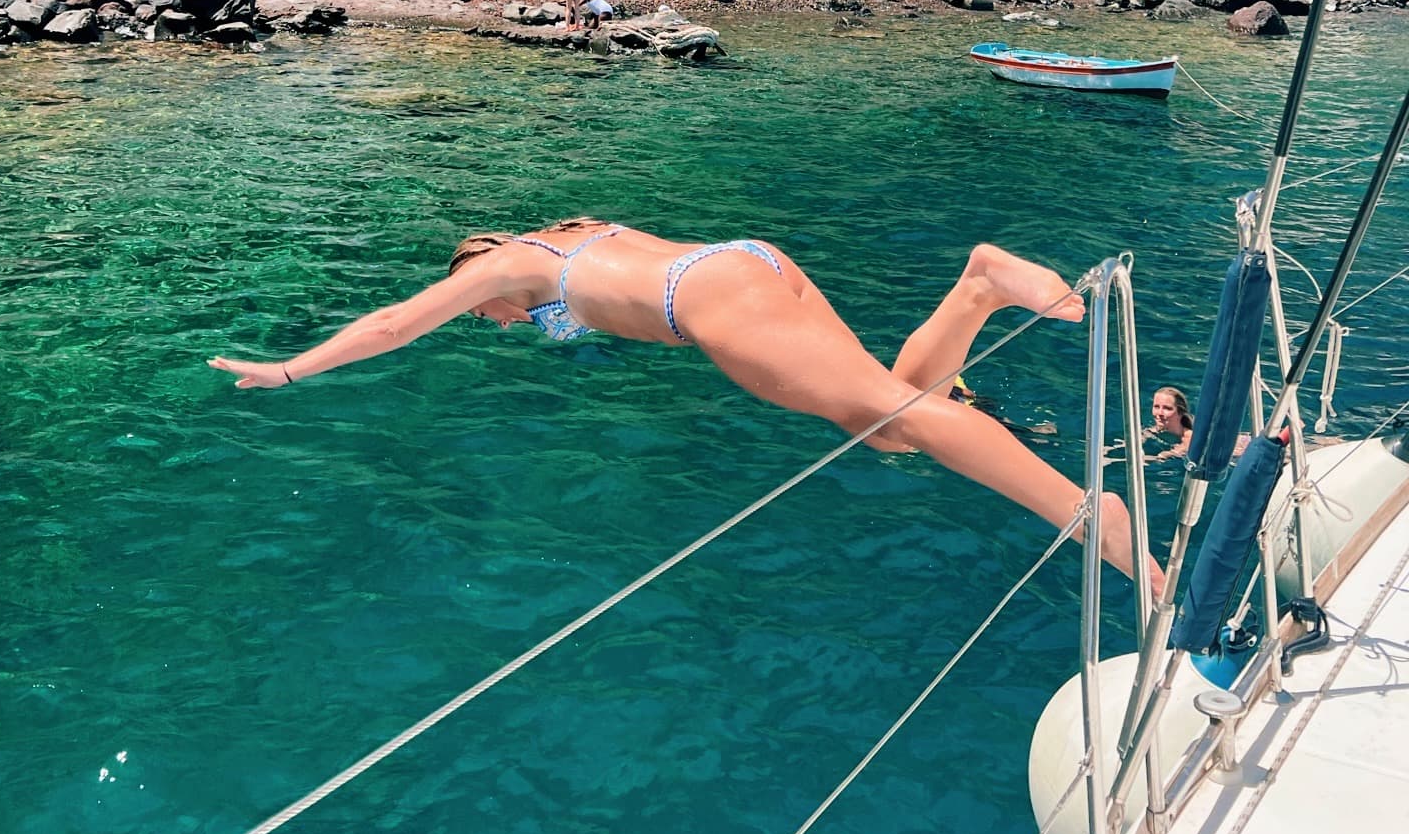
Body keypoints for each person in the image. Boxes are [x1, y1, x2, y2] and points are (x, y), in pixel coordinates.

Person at [211, 223, 1161, 589]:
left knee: (889, 418)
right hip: (746, 258)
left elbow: (392, 324)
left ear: (478, 267)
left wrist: (290, 369)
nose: (496, 323)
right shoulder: (570, 233)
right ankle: (979, 282)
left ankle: (1093, 517)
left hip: (704, 302)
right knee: (892, 416)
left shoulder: (498, 268)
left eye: (485, 315)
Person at [1147, 385, 1193, 461]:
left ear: (1181, 412)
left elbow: (1177, 452)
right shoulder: (1154, 430)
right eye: (1156, 407)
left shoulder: (1190, 437)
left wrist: (1166, 455)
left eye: (1167, 408)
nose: (1160, 413)